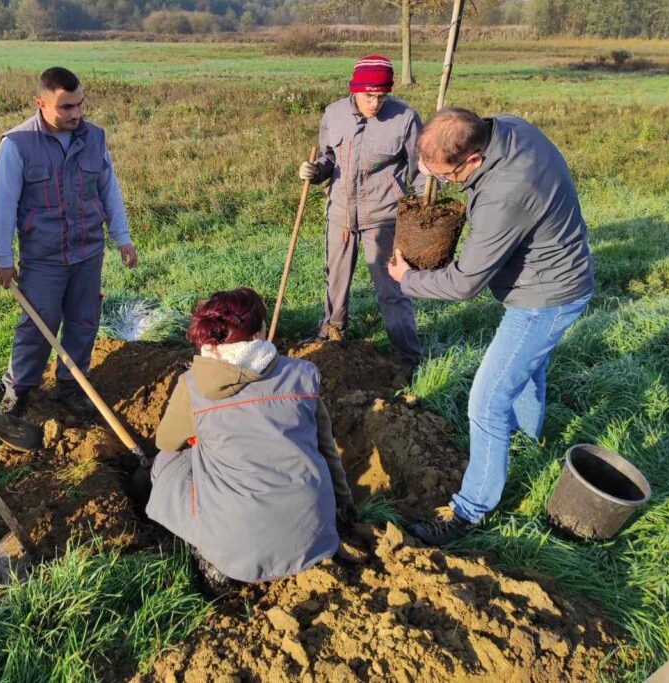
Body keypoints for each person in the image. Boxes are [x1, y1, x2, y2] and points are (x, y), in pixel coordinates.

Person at [388, 107, 594, 545]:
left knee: (486, 401)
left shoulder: (506, 194)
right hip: (559, 280)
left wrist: (408, 280)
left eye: (444, 175)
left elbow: (464, 283)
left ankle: (469, 511)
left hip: (545, 298)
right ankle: (527, 440)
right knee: (526, 370)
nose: (437, 180)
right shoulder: (508, 127)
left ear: (474, 160)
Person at [146, 288, 355, 588]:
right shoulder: (303, 374)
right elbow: (327, 450)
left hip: (237, 553)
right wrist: (345, 506)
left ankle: (209, 556)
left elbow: (165, 443)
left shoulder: (192, 386)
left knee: (165, 462)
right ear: (258, 332)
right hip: (315, 536)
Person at [0, 67, 137, 416]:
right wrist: (2, 256)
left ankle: (71, 387)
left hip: (88, 250)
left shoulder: (94, 138)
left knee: (84, 320)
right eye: (66, 107)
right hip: (43, 257)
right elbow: (3, 204)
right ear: (41, 103)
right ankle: (19, 392)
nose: (76, 114)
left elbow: (109, 190)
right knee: (37, 324)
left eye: (79, 105)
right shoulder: (17, 144)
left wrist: (122, 238)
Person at [298, 55, 426, 386]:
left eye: (381, 96)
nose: (375, 102)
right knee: (335, 281)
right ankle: (331, 335)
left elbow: (421, 171)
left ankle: (408, 357)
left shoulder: (405, 119)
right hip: (340, 213)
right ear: (354, 90)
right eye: (369, 95)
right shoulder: (334, 114)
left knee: (392, 289)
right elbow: (328, 158)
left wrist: (426, 211)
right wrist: (314, 173)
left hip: (383, 218)